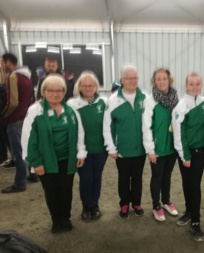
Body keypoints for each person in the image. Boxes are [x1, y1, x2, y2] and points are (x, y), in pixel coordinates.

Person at [21, 74, 86, 233]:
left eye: (59, 90)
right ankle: (56, 220)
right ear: (43, 91)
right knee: (51, 191)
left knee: (66, 190)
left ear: (64, 92)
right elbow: (27, 138)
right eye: (50, 90)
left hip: (67, 159)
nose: (55, 94)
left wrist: (80, 153)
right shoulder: (35, 111)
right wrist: (35, 162)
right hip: (46, 160)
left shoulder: (70, 111)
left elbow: (80, 132)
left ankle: (66, 218)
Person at [103, 65, 147, 219]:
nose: (132, 81)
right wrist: (111, 148)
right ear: (122, 80)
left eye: (135, 78)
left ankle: (136, 203)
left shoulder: (144, 98)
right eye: (129, 78)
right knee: (123, 178)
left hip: (140, 149)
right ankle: (124, 204)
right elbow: (107, 127)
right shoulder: (113, 101)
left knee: (137, 178)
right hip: (122, 150)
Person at [67, 71, 108, 221]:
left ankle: (94, 205)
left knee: (97, 177)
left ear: (96, 87)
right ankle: (86, 205)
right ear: (79, 87)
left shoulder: (104, 102)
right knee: (85, 178)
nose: (88, 88)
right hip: (81, 151)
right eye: (84, 85)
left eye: (91, 85)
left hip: (100, 149)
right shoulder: (72, 104)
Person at [172, 72, 204, 241]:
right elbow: (179, 133)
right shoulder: (181, 106)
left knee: (194, 185)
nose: (194, 87)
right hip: (185, 153)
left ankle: (196, 221)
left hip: (200, 152)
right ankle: (189, 211)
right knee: (187, 183)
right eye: (191, 84)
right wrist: (185, 156)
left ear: (201, 85)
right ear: (186, 86)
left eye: (197, 84)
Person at [142, 68, 179, 222]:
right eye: (158, 79)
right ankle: (156, 205)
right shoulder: (150, 101)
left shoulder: (176, 99)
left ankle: (166, 201)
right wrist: (150, 149)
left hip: (172, 148)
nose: (162, 81)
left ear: (169, 80)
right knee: (157, 177)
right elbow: (146, 126)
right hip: (157, 149)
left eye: (164, 78)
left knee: (167, 176)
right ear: (154, 81)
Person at [1, 53, 35, 193]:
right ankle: (33, 174)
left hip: (16, 118)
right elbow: (31, 98)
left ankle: (20, 183)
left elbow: (13, 102)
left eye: (2, 62)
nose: (1, 65)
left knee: (18, 152)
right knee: (28, 148)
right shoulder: (27, 77)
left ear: (8, 62)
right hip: (26, 116)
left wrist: (4, 114)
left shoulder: (13, 77)